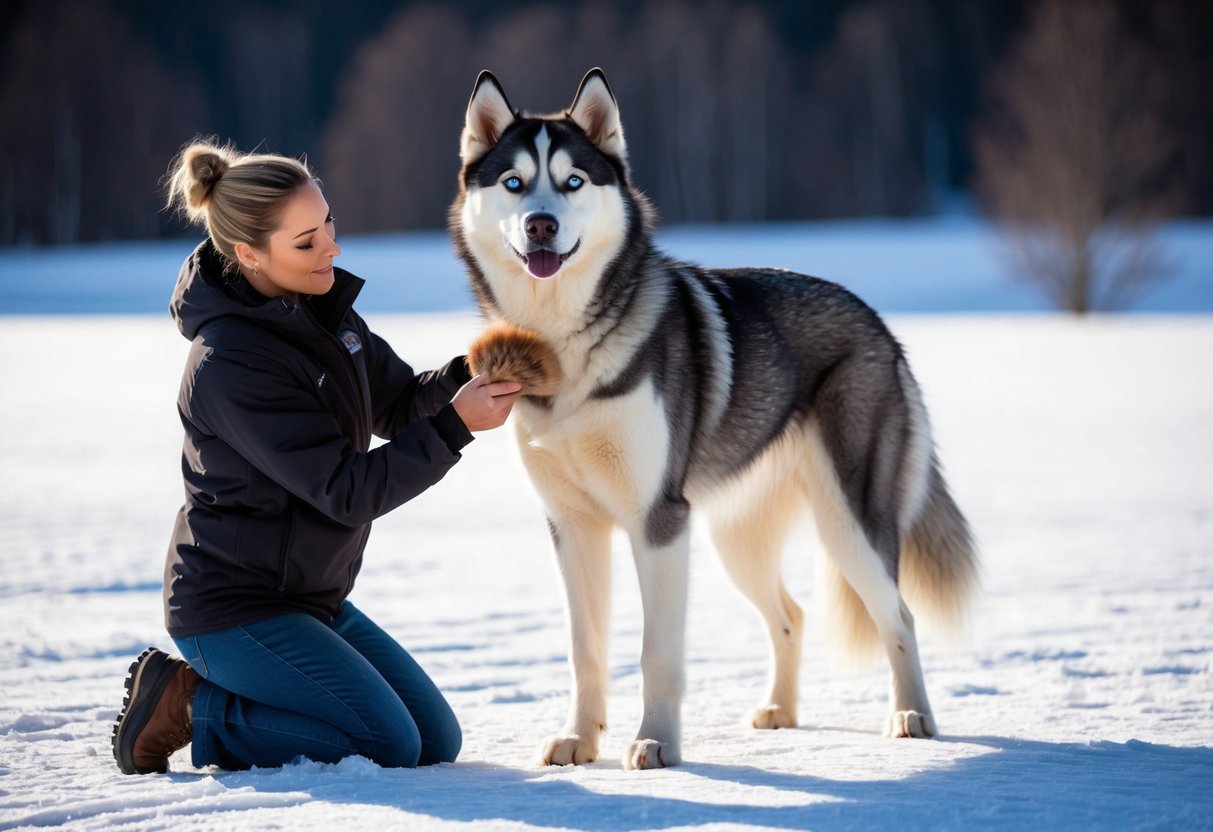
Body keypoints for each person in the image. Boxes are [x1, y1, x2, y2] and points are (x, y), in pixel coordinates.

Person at [111, 140, 521, 775]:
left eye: (328, 224)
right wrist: (456, 428)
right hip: (234, 611)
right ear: (249, 254)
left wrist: (480, 367)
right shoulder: (232, 366)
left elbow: (401, 401)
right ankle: (193, 705)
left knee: (435, 741)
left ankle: (230, 702)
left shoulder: (320, 311)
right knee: (389, 745)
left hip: (310, 598)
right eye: (306, 242)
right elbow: (347, 489)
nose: (331, 248)